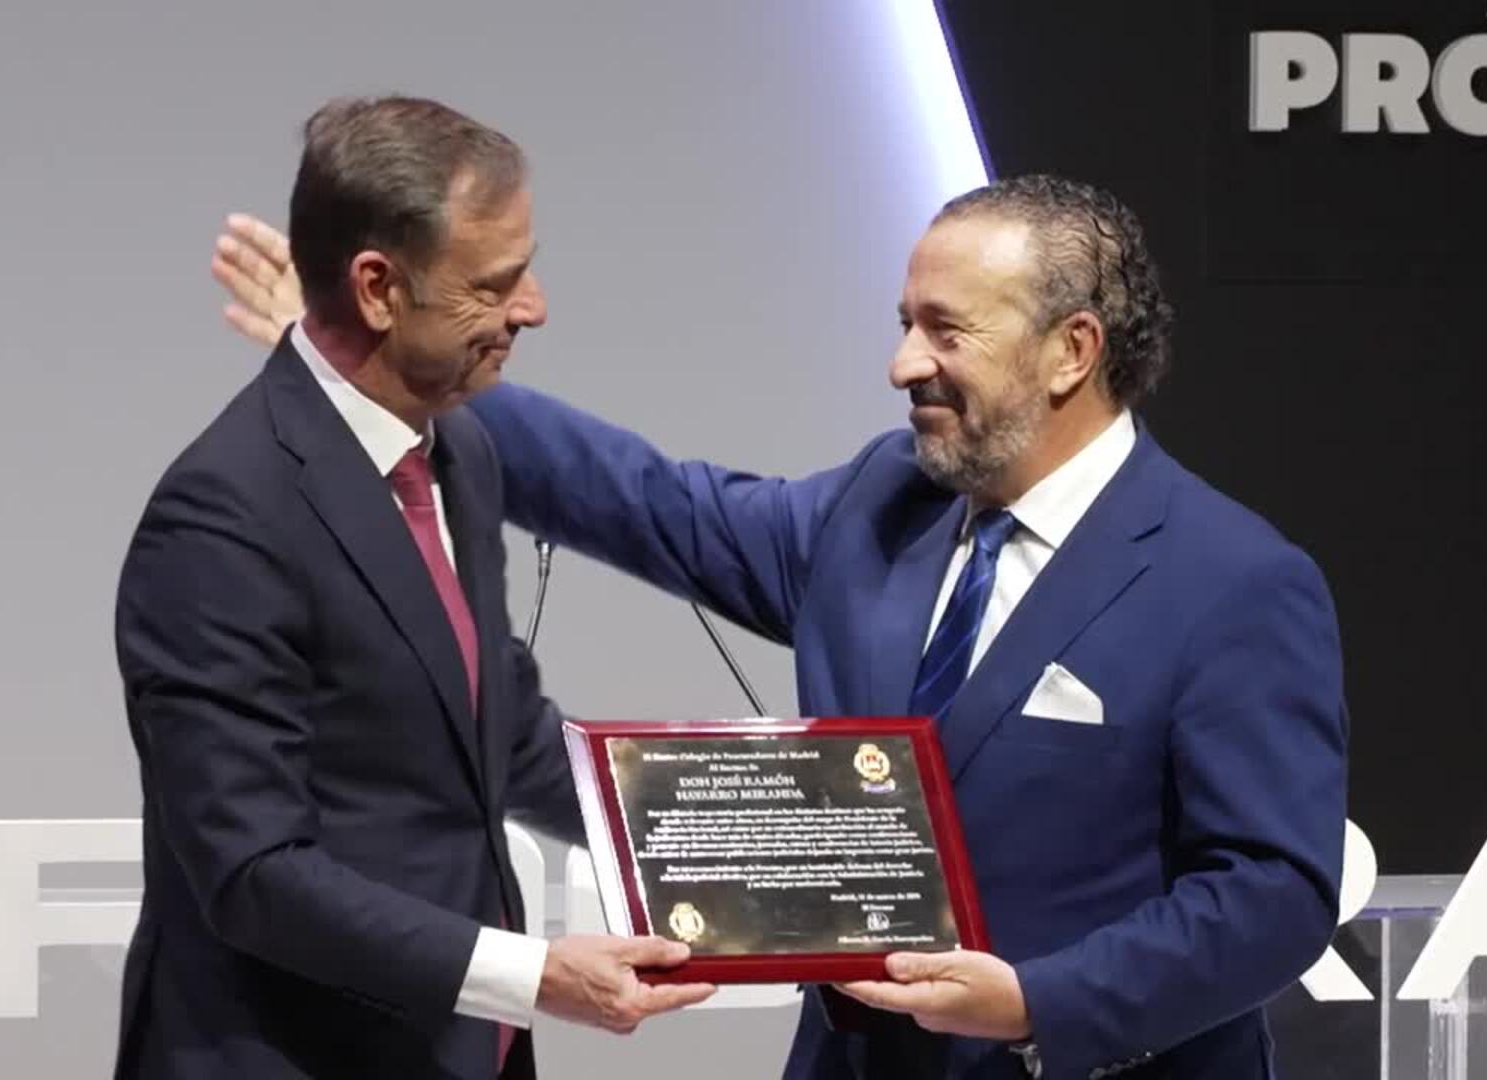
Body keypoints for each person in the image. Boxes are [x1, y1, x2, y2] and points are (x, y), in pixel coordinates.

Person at [210, 173, 1349, 1079]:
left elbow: (1273, 892)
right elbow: (653, 504)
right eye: (905, 324)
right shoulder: (882, 503)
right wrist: (401, 375)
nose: (904, 364)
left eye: (946, 331)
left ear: (1073, 351)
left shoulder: (1233, 582)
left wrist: (1036, 1004)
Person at [114, 95, 713, 1080]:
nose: (533, 308)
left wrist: (729, 828)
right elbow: (254, 871)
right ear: (379, 288)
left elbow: (499, 727)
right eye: (496, 283)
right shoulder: (222, 517)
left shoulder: (461, 453)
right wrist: (533, 976)